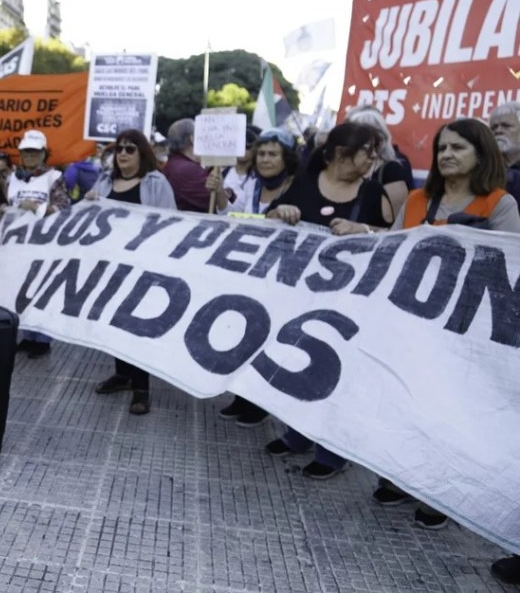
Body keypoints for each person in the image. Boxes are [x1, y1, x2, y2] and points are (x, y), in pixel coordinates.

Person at [372, 118, 519, 535]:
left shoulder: (499, 205)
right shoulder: (417, 199)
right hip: (413, 327)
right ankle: (401, 477)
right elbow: (391, 251)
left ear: (481, 154)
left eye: (458, 148)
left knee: (450, 410)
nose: (447, 155)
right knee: (407, 400)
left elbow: (510, 268)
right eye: (442, 148)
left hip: (465, 332)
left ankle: (441, 493)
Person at [264, 121, 393, 479]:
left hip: (351, 305)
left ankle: (334, 451)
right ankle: (297, 434)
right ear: (340, 152)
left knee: (341, 373)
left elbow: (397, 239)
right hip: (301, 297)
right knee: (301, 363)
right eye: (367, 150)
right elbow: (267, 219)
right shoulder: (303, 183)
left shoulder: (373, 194)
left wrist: (363, 230)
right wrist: (280, 213)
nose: (374, 158)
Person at [85, 130, 176, 415]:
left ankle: (141, 388)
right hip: (109, 267)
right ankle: (122, 375)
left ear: (142, 153)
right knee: (112, 323)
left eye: (130, 149)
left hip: (143, 268)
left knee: (135, 328)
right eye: (119, 149)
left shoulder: (156, 182)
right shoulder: (104, 181)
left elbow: (172, 223)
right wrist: (89, 203)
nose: (122, 154)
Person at [216, 127, 301, 427]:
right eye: (261, 153)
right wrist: (218, 191)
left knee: (270, 340)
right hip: (252, 273)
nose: (265, 159)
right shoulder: (253, 184)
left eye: (273, 154)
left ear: (286, 158)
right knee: (247, 336)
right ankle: (243, 397)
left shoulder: (296, 187)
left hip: (282, 278)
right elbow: (233, 214)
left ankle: (261, 402)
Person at [4, 130, 69, 359]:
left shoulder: (55, 176)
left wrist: (37, 208)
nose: (29, 155)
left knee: (42, 292)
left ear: (44, 153)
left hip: (45, 243)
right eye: (26, 151)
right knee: (21, 291)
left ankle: (43, 339)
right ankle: (28, 335)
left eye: (34, 151)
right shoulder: (13, 177)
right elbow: (8, 202)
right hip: (18, 242)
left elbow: (64, 208)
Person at [161, 118, 232, 212]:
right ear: (193, 139)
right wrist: (226, 193)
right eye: (203, 137)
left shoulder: (175, 163)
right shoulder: (187, 169)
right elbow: (218, 202)